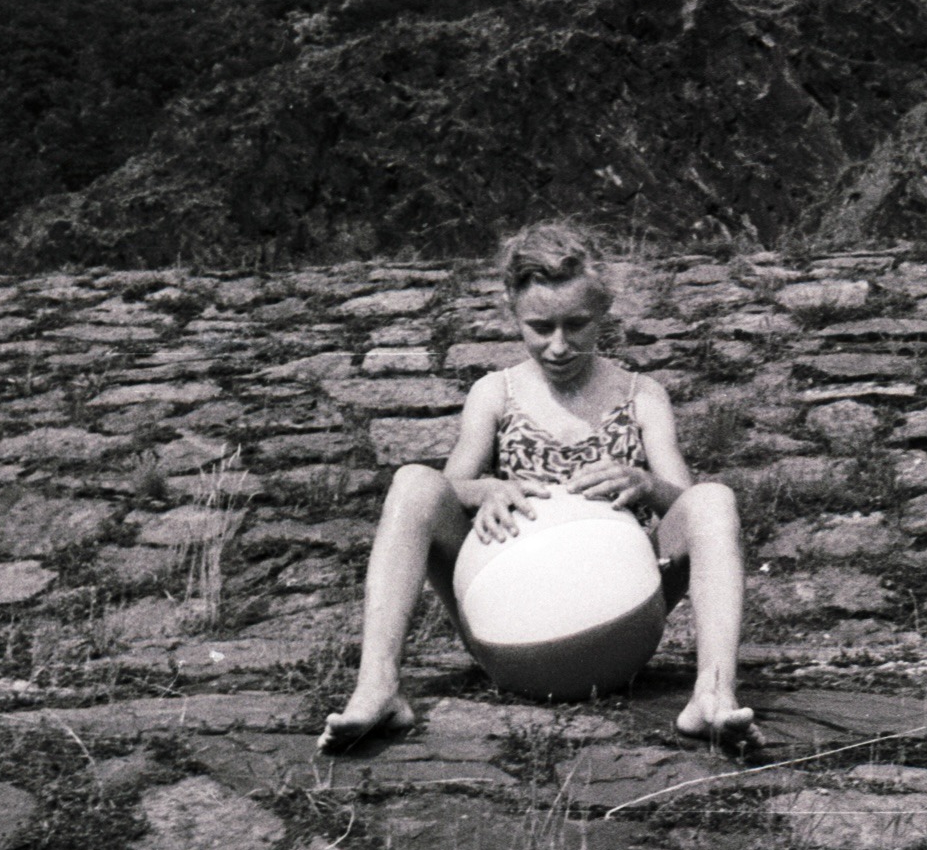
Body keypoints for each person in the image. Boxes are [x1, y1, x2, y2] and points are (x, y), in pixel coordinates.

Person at [319, 222, 757, 752]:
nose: (558, 345)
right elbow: (446, 489)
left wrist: (645, 483)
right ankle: (378, 687)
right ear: (513, 310)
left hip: (618, 624)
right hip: (507, 629)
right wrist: (484, 491)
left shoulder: (643, 395)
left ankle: (712, 696)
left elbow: (687, 508)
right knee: (413, 482)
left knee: (715, 499)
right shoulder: (495, 393)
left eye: (577, 325)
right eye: (539, 326)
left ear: (605, 309)